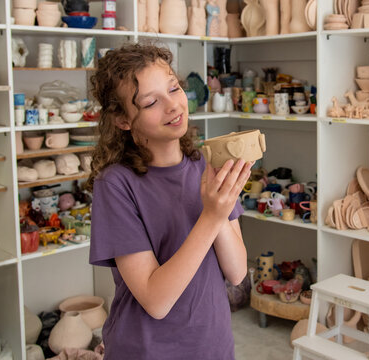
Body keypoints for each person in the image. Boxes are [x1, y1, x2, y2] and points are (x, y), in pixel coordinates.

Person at [87, 42, 252, 359]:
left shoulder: (205, 165)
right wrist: (211, 216)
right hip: (147, 350)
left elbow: (237, 272)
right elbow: (156, 301)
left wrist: (218, 211)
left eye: (174, 88)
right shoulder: (116, 185)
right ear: (122, 119)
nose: (173, 105)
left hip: (212, 347)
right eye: (150, 102)